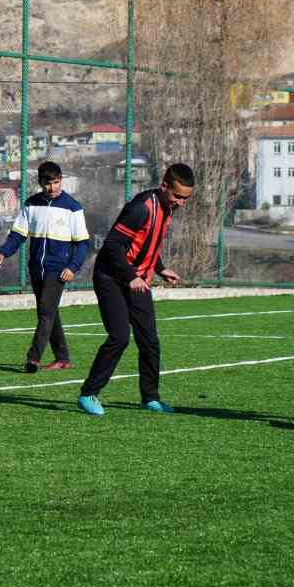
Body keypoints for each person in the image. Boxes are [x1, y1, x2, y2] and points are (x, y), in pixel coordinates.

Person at [77, 163, 194, 416]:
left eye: (185, 198)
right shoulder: (141, 208)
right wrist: (130, 276)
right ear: (164, 186)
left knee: (150, 340)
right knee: (119, 337)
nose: (181, 203)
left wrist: (161, 268)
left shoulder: (167, 207)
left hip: (136, 280)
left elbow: (146, 243)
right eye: (177, 196)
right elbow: (112, 246)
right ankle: (88, 394)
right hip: (110, 277)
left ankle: (150, 398)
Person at [0, 161, 91, 373]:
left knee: (45, 313)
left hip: (58, 269)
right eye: (48, 184)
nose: (53, 188)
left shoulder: (73, 207)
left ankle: (33, 358)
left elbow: (83, 243)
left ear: (61, 180)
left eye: (56, 182)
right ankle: (62, 358)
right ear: (40, 183)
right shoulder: (31, 204)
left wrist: (73, 267)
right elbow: (18, 233)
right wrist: (4, 251)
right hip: (36, 267)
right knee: (49, 312)